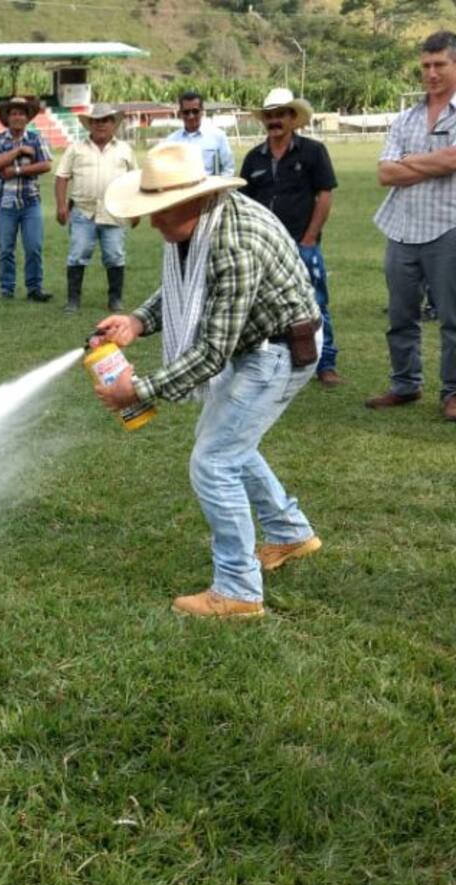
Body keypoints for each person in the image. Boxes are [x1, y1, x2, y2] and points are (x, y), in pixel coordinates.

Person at [91, 142, 322, 619]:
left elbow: (212, 352)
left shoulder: (235, 245)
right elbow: (188, 285)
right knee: (228, 444)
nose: (152, 221)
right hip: (258, 346)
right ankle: (290, 532)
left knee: (215, 461)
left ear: (193, 200)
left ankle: (238, 590)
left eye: (160, 210)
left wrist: (138, 391)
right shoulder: (204, 226)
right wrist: (137, 321)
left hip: (279, 352)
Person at [367, 30, 456, 422]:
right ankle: (405, 384)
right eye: (426, 65)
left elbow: (453, 161)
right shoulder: (406, 117)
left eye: (440, 65)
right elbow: (385, 173)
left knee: (452, 319)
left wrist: (410, 161)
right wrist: (435, 161)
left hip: (448, 226)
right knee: (401, 316)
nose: (431, 73)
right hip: (401, 229)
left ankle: (453, 393)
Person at [241, 88, 341, 388]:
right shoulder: (253, 158)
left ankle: (326, 363)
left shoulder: (313, 151)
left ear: (292, 117)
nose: (274, 121)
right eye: (269, 116)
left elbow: (325, 195)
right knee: (263, 305)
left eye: (280, 115)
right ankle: (271, 360)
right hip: (264, 249)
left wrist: (309, 239)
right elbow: (244, 204)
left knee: (316, 302)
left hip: (301, 243)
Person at [54, 102, 136, 314]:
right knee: (77, 254)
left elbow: (135, 180)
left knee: (115, 255)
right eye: (96, 121)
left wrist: (135, 209)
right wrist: (61, 205)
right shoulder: (76, 149)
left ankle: (115, 300)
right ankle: (73, 301)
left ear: (113, 124)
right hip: (83, 211)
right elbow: (62, 176)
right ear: (90, 124)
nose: (101, 124)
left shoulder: (125, 150)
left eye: (105, 120)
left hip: (114, 211)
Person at [0, 96, 52, 302]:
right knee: (6, 249)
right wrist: (19, 150)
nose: (17, 117)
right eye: (13, 113)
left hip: (30, 201)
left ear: (27, 117)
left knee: (33, 247)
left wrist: (17, 170)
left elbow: (46, 165)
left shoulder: (37, 138)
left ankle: (34, 288)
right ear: (7, 117)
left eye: (21, 113)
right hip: (5, 202)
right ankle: (7, 289)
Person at [165, 91, 235, 177]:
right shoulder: (171, 141)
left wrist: (220, 185)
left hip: (210, 185)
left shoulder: (218, 136)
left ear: (202, 111)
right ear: (180, 114)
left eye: (195, 111)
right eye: (186, 112)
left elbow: (228, 169)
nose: (191, 116)